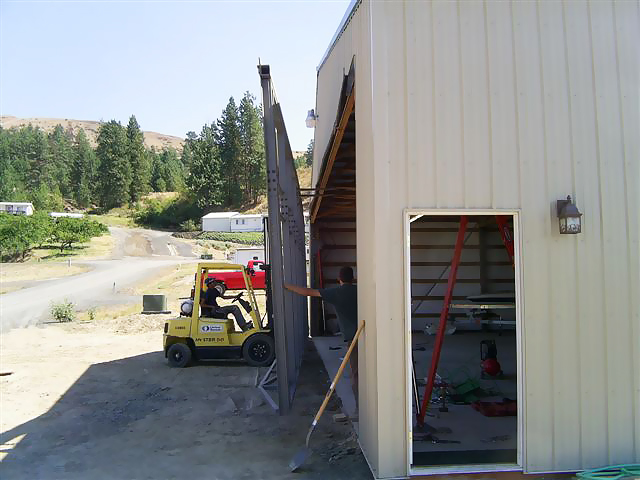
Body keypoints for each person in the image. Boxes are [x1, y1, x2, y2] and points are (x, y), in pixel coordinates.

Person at [285, 266, 359, 411]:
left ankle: (360, 410)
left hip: (354, 339)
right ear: (353, 279)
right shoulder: (359, 290)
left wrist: (287, 286)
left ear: (339, 279)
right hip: (369, 335)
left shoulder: (337, 292)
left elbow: (308, 292)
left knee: (356, 375)